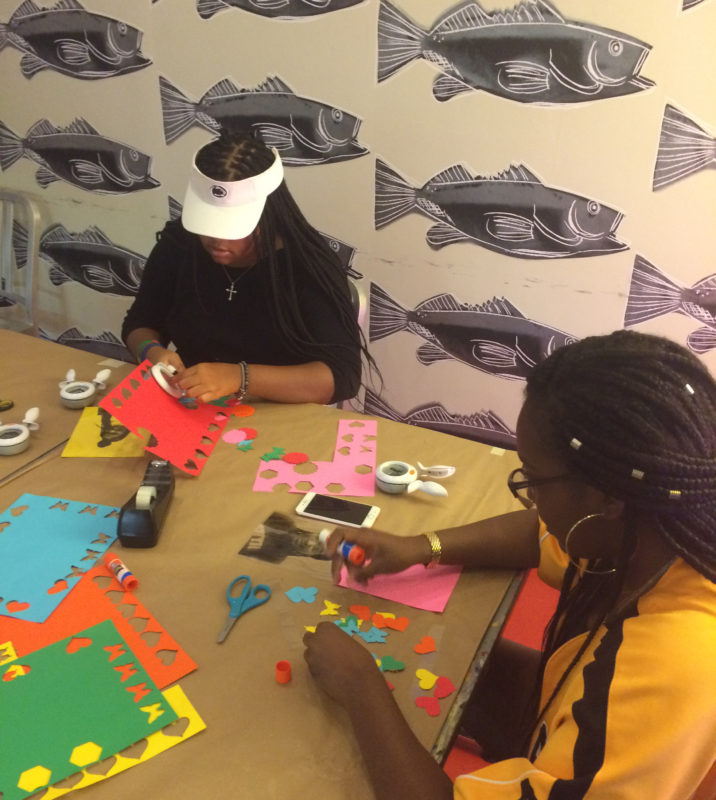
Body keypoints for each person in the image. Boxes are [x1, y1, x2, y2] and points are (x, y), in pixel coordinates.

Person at [303, 330, 716, 800]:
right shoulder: (649, 529)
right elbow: (533, 534)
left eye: (535, 481)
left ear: (606, 499)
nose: (532, 500)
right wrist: (419, 546)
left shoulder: (668, 669)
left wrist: (362, 688)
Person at [122, 129, 368, 405]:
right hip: (196, 406)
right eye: (207, 223)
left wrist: (239, 377)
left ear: (267, 213)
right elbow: (140, 322)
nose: (217, 240)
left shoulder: (305, 266)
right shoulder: (180, 244)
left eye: (232, 227)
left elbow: (342, 377)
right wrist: (152, 352)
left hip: (280, 413)